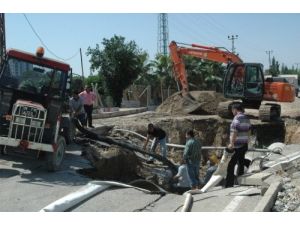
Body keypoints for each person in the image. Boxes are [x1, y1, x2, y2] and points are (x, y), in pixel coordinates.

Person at [225, 103, 251, 188]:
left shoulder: (236, 119)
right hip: (244, 144)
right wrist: (247, 140)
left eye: (232, 110)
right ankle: (240, 181)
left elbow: (234, 132)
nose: (232, 112)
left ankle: (229, 184)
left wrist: (231, 144)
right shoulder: (247, 118)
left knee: (230, 165)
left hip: (237, 146)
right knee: (241, 162)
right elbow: (249, 131)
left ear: (235, 110)